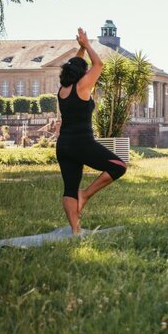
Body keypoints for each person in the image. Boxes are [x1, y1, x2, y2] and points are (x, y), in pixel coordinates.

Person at [56, 28, 127, 234]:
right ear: (82, 74)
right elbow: (99, 64)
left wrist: (80, 49)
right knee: (119, 166)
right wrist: (87, 45)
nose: (88, 73)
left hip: (64, 146)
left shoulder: (63, 90)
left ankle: (76, 231)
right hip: (82, 144)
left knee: (69, 188)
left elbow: (75, 66)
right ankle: (85, 194)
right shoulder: (82, 86)